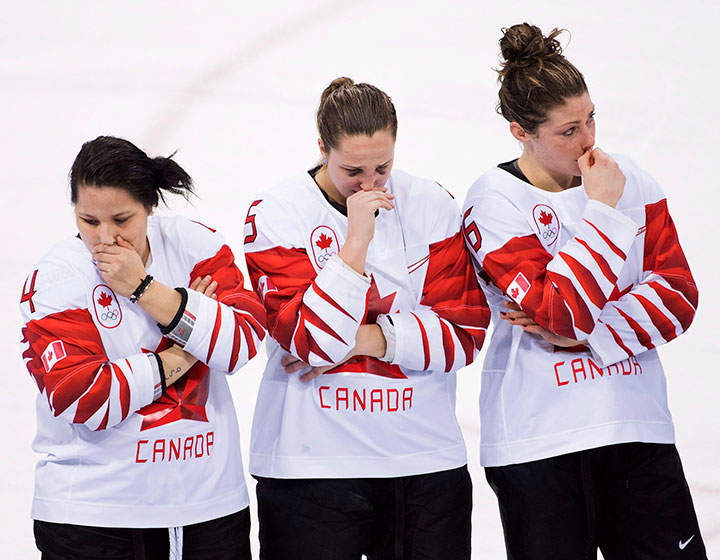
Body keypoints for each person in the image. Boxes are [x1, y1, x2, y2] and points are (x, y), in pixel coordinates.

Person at [462, 23, 706, 559]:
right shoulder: (494, 203)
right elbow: (561, 311)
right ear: (519, 131)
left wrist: (595, 335)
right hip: (539, 441)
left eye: (591, 118)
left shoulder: (629, 179)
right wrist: (602, 214)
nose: (588, 140)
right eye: (568, 130)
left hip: (636, 425)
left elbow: (680, 295)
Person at [242, 77, 490, 559]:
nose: (371, 185)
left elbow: (463, 335)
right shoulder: (277, 212)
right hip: (310, 468)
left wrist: (362, 340)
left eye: (383, 167)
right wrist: (355, 242)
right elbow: (310, 344)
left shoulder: (433, 205)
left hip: (423, 461)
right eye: (352, 170)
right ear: (321, 148)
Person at [19, 136, 266, 559]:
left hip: (209, 509)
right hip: (94, 517)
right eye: (89, 221)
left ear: (149, 207)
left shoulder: (196, 246)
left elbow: (241, 343)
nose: (106, 238)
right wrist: (189, 343)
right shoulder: (58, 278)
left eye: (121, 219)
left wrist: (143, 289)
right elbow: (85, 397)